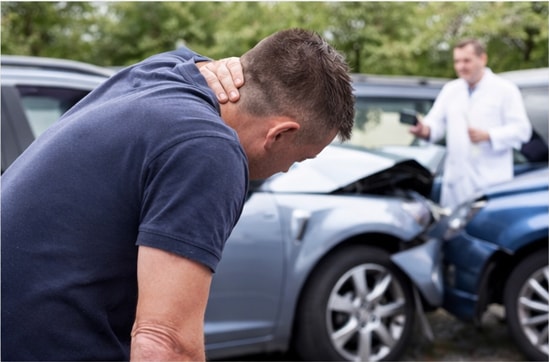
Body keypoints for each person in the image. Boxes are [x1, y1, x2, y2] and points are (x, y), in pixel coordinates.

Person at [1, 28, 355, 361]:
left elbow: (202, 63)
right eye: (300, 158)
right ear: (279, 134)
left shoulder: (166, 71)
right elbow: (163, 342)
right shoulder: (210, 150)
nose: (286, 170)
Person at [409, 38, 532, 210]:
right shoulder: (451, 90)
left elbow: (522, 131)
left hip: (490, 183)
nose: (461, 67)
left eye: (466, 61)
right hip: (456, 185)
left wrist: (489, 135)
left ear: (482, 59)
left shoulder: (505, 90)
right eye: (457, 61)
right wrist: (424, 130)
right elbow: (435, 123)